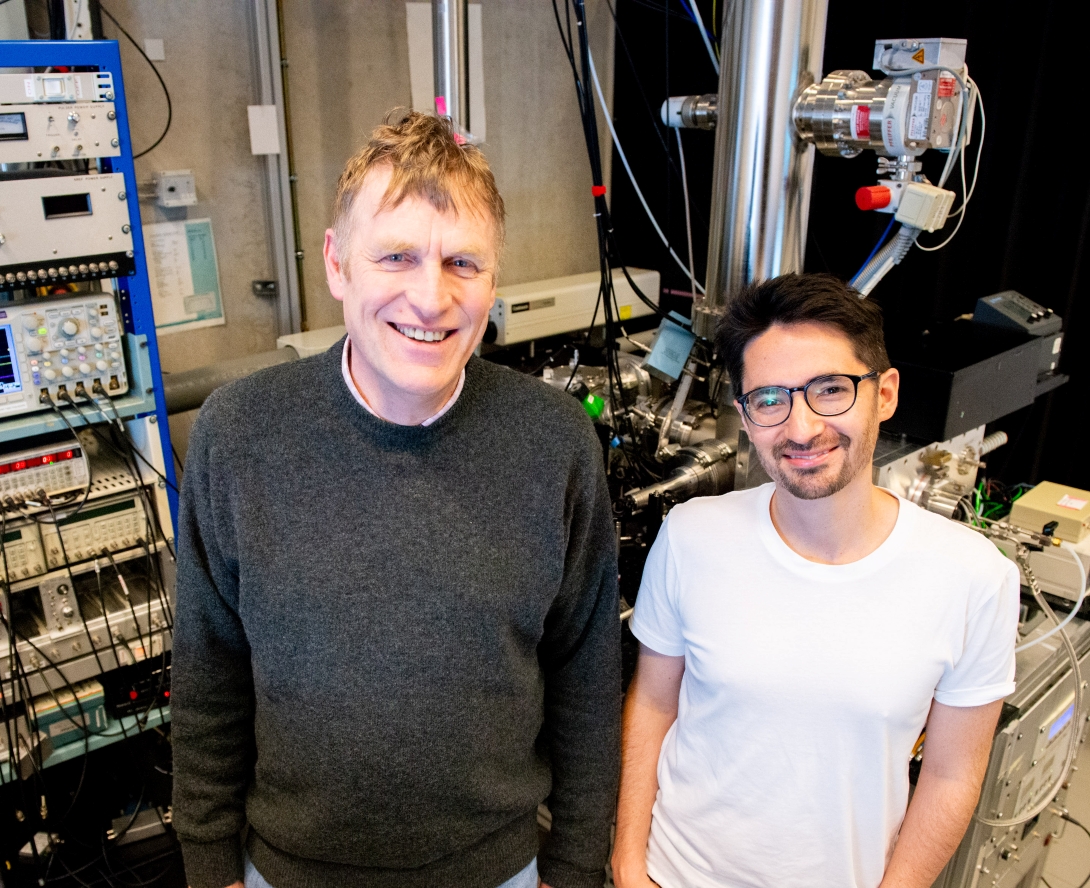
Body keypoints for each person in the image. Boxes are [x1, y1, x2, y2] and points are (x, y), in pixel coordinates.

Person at [172, 111, 621, 888]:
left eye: (462, 263)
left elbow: (586, 675)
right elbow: (208, 677)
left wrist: (577, 865)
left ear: (493, 280)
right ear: (337, 264)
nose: (430, 298)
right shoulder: (239, 434)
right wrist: (210, 868)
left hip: (500, 870)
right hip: (288, 871)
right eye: (397, 256)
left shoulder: (554, 441)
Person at [612, 273, 1019, 888]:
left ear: (885, 394)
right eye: (769, 399)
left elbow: (951, 774)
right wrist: (627, 861)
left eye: (830, 390)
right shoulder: (691, 535)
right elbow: (652, 703)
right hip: (673, 873)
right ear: (745, 416)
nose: (801, 428)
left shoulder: (975, 578)